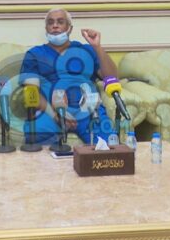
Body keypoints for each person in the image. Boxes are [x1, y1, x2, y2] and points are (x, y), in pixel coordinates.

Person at [20, 8, 118, 145]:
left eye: (60, 22)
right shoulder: (34, 54)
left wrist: (97, 47)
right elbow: (31, 92)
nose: (55, 25)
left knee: (109, 146)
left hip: (88, 110)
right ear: (46, 28)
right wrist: (55, 115)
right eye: (50, 22)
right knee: (35, 136)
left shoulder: (86, 50)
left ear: (70, 28)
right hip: (50, 111)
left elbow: (112, 78)